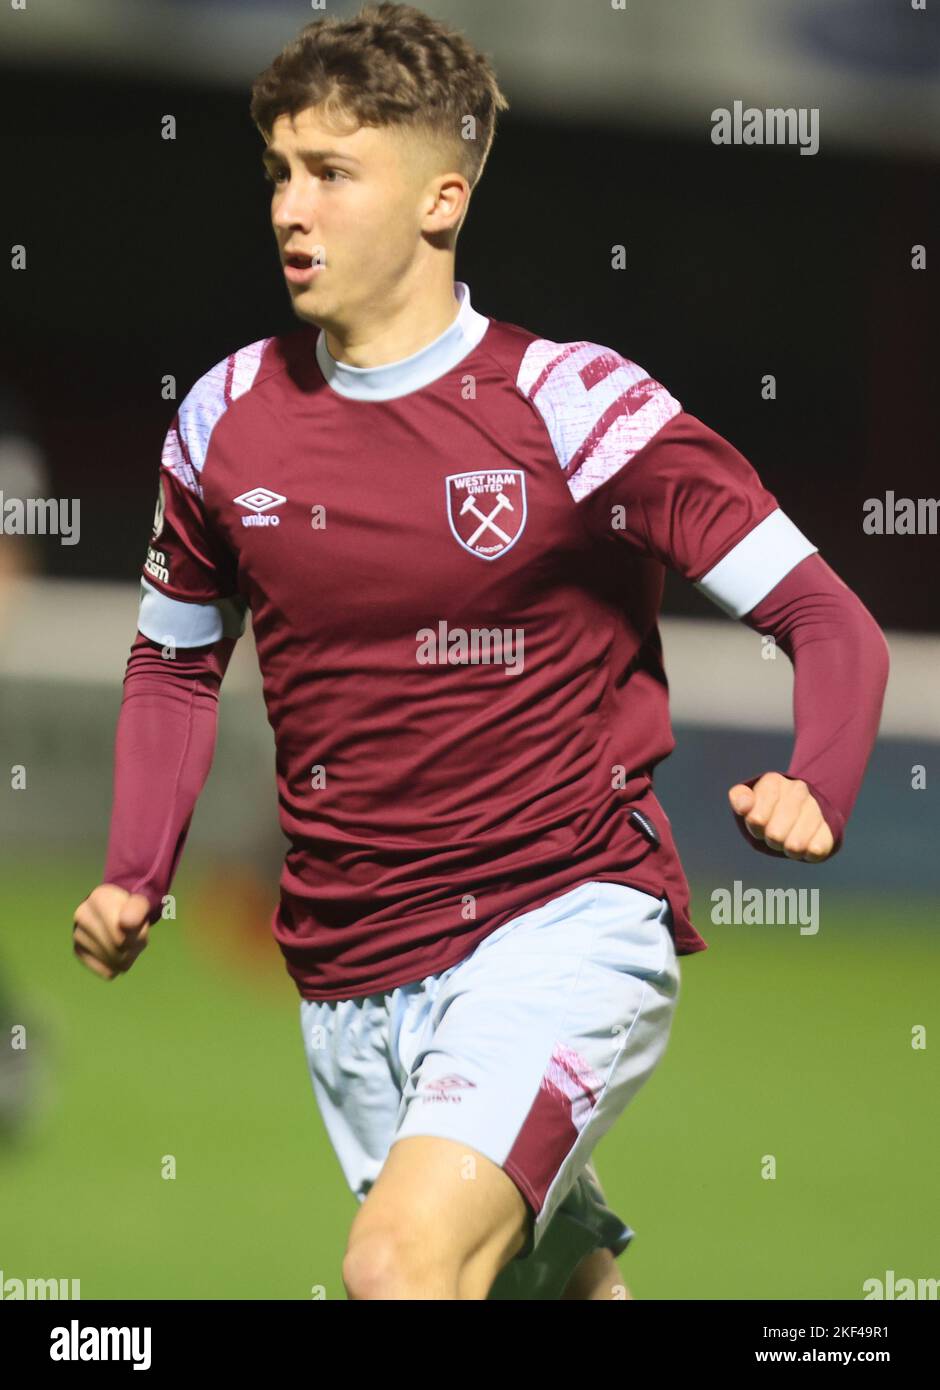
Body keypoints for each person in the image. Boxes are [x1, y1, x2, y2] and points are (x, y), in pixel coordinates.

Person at [71, 3, 890, 1300]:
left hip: (561, 924)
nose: (292, 206)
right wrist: (135, 868)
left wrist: (822, 779)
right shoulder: (223, 424)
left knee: (399, 1266)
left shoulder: (579, 410)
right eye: (280, 170)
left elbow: (825, 615)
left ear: (441, 199)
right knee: (555, 1290)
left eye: (333, 173)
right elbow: (174, 660)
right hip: (347, 979)